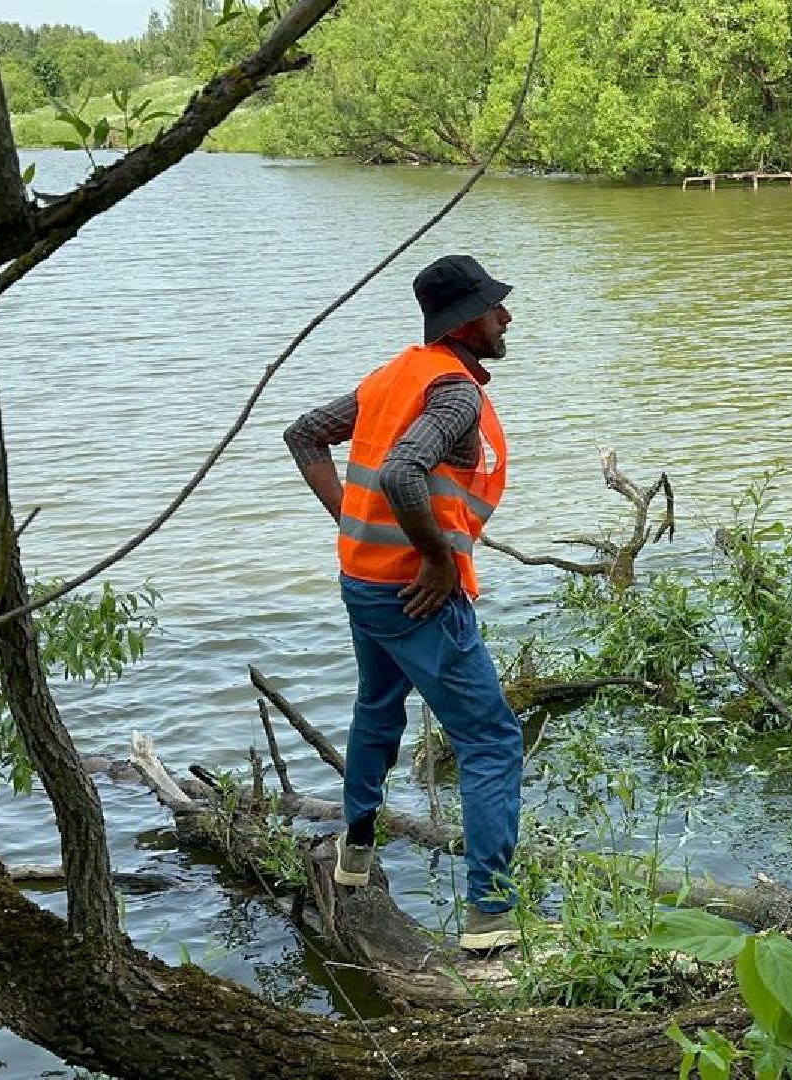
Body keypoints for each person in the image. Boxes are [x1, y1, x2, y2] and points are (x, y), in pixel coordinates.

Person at [283, 254, 525, 951]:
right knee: (491, 740)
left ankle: (355, 853)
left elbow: (304, 433)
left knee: (377, 707)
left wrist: (347, 520)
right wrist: (438, 559)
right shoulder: (453, 394)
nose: (506, 316)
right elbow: (400, 471)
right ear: (463, 320)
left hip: (364, 581)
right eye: (495, 306)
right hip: (418, 595)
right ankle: (490, 918)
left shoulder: (394, 376)